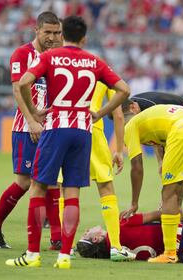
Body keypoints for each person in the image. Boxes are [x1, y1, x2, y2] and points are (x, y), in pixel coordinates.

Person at [5, 15, 130, 269]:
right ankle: (64, 256)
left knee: (39, 188)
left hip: (55, 127)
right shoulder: (94, 61)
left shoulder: (49, 57)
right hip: (83, 131)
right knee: (72, 193)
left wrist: (33, 112)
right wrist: (100, 113)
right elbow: (125, 90)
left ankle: (32, 254)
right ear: (84, 38)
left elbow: (23, 83)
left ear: (63, 35)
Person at [0, 11, 62, 250]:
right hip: (26, 128)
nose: (53, 37)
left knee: (52, 182)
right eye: (47, 32)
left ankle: (57, 239)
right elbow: (18, 90)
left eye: (57, 32)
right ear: (36, 30)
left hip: (50, 128)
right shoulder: (22, 54)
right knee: (25, 182)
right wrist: (31, 121)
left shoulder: (58, 56)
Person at [121, 104, 183, 263]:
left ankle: (170, 253)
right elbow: (161, 142)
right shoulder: (152, 117)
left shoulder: (130, 126)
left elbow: (137, 166)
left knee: (169, 193)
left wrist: (134, 203)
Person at [56, 80, 136, 261]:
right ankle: (115, 246)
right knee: (105, 186)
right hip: (92, 127)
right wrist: (118, 151)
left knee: (66, 190)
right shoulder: (100, 70)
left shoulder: (61, 62)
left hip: (65, 125)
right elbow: (118, 114)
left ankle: (66, 247)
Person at [124, 91, 183, 219]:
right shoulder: (138, 106)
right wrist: (161, 162)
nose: (125, 126)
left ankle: (175, 217)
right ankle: (182, 216)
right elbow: (157, 135)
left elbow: (160, 137)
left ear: (133, 108)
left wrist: (162, 163)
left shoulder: (150, 106)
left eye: (125, 123)